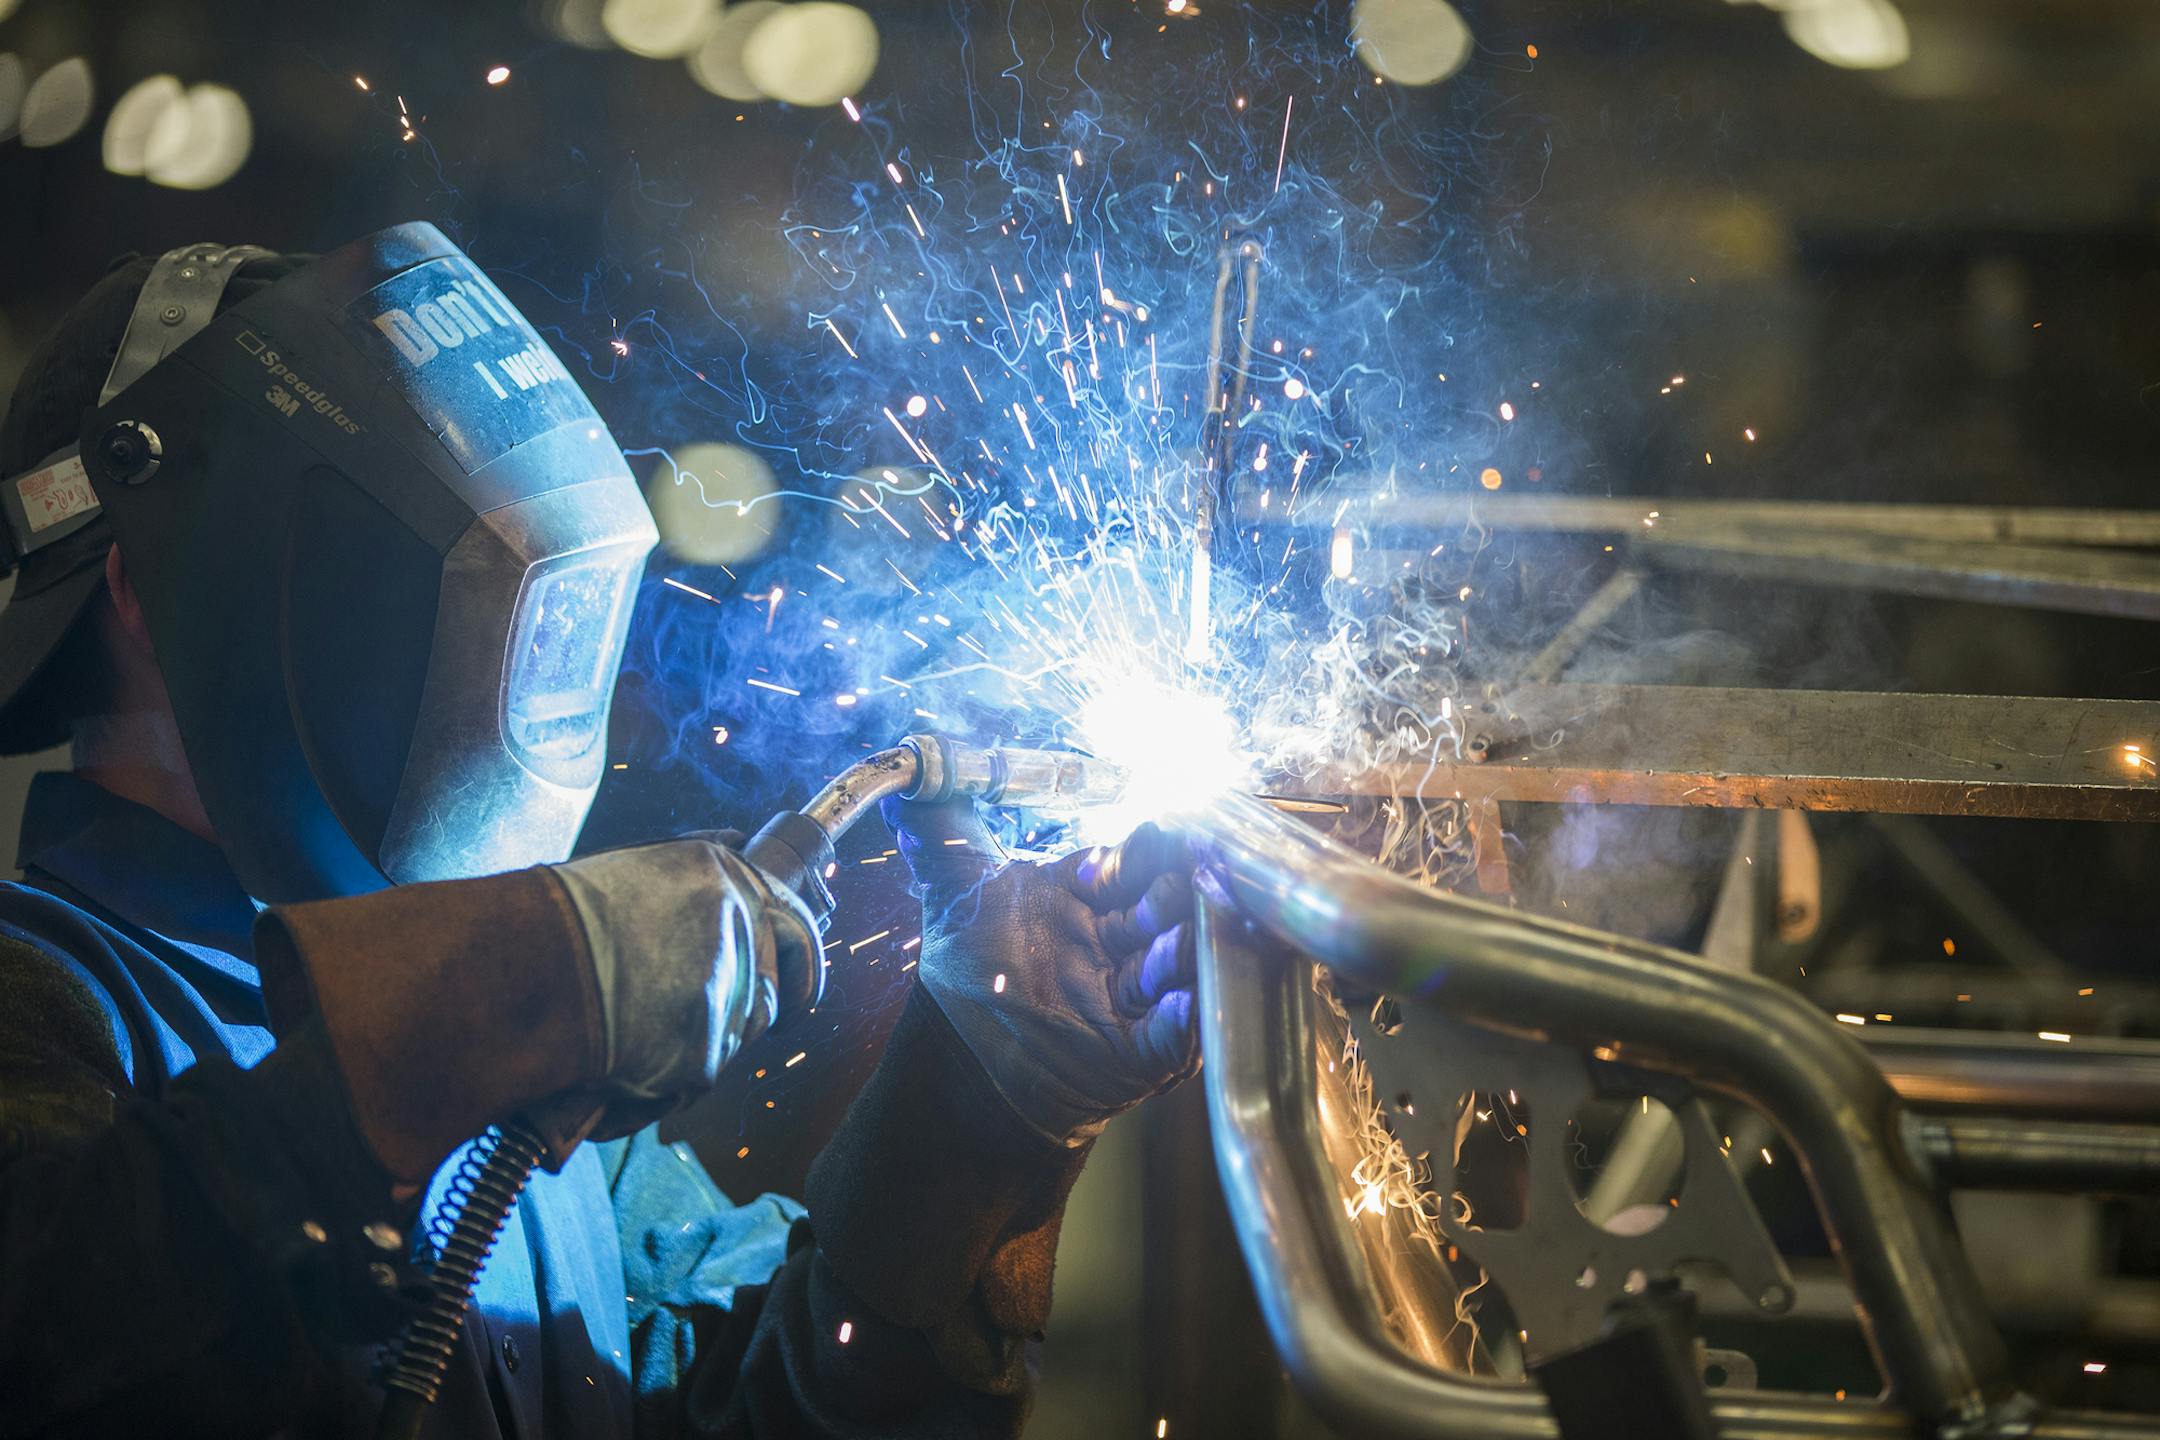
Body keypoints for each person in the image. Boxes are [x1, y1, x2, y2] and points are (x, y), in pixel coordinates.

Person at [0, 226, 1199, 1438]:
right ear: (148, 596)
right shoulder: (40, 1007)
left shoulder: (552, 1138)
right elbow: (54, 1323)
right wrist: (510, 993)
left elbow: (784, 1407)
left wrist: (988, 1105)